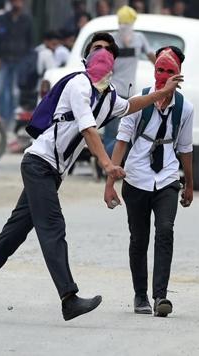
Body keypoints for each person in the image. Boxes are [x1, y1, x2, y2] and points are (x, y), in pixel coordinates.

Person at [0, 32, 184, 322]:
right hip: (38, 164)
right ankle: (68, 298)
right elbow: (88, 130)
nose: (103, 54)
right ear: (86, 57)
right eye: (97, 49)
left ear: (114, 64)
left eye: (108, 51)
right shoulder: (78, 84)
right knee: (53, 226)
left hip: (52, 173)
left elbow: (131, 105)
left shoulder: (107, 97)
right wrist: (107, 165)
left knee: (12, 236)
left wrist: (160, 93)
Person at [104, 46, 193, 317]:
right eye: (160, 70)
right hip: (137, 177)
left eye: (170, 71)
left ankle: (160, 297)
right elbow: (121, 141)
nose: (163, 75)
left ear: (178, 75)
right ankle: (140, 295)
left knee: (165, 231)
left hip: (166, 177)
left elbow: (185, 149)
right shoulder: (137, 103)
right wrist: (110, 182)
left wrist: (189, 184)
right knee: (139, 237)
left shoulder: (185, 108)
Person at [104, 6, 156, 156]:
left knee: (113, 131)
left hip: (116, 91)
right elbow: (152, 57)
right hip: (123, 92)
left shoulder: (112, 39)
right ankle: (107, 161)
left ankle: (104, 162)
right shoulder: (137, 38)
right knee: (121, 131)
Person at [0, 0, 32, 125]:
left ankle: (11, 123)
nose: (17, 3)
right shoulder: (3, 18)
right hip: (3, 59)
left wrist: (26, 61)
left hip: (19, 60)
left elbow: (29, 41)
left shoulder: (27, 19)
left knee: (14, 93)